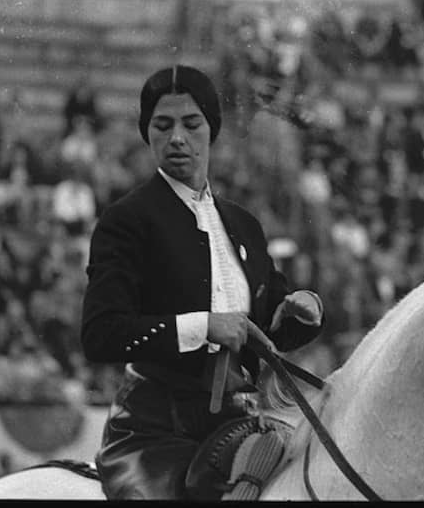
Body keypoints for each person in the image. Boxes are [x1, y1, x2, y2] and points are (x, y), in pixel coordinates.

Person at [80, 65, 324, 500]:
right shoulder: (127, 221)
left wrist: (303, 309)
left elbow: (272, 321)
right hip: (153, 434)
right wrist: (205, 326)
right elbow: (101, 335)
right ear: (147, 133)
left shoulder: (244, 225)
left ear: (211, 130)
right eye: (162, 125)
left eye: (191, 124)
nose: (177, 138)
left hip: (238, 426)